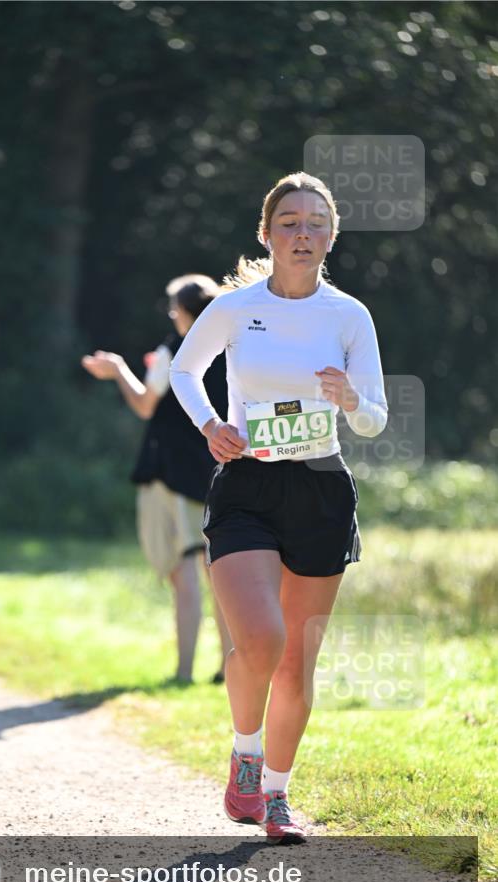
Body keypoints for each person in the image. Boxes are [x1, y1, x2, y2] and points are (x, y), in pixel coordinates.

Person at [169, 173, 388, 843]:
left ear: (330, 236)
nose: (301, 233)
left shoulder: (348, 316)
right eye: (287, 221)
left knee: (296, 658)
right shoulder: (234, 308)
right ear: (266, 234)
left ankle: (276, 797)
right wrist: (210, 425)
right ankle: (244, 749)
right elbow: (184, 369)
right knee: (259, 638)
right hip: (247, 485)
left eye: (314, 222)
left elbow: (374, 420)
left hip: (320, 487)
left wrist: (347, 398)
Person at [81, 275, 232, 684]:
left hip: (174, 477)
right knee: (218, 578)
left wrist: (117, 371)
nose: (171, 316)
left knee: (183, 575)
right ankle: (227, 668)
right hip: (219, 476)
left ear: (186, 312)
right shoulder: (232, 346)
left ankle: (183, 672)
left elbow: (146, 404)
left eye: (174, 309)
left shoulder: (175, 348)